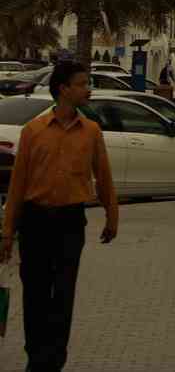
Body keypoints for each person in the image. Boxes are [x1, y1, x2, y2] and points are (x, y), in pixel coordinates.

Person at [0, 60, 118, 372]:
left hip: (70, 223)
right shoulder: (33, 132)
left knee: (63, 295)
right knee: (36, 294)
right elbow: (17, 184)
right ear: (63, 89)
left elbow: (103, 176)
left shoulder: (91, 131)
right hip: (35, 222)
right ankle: (36, 357)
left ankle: (55, 359)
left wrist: (112, 215)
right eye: (81, 83)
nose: (87, 89)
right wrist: (7, 232)